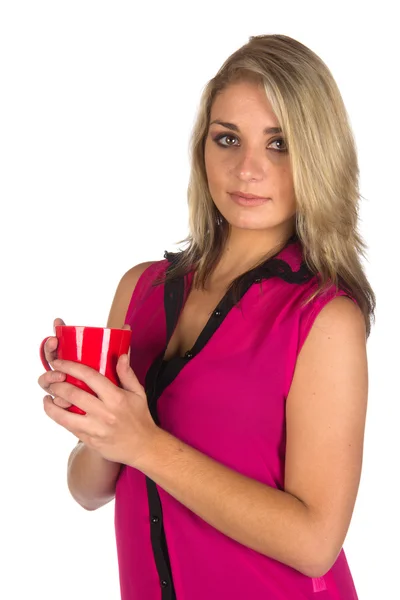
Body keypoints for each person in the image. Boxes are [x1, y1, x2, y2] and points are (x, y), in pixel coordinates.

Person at [38, 33, 375, 600]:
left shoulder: (323, 318)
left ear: (318, 156)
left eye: (279, 144)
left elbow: (316, 541)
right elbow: (88, 490)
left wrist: (145, 444)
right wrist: (98, 421)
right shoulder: (139, 290)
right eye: (228, 139)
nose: (247, 168)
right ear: (203, 149)